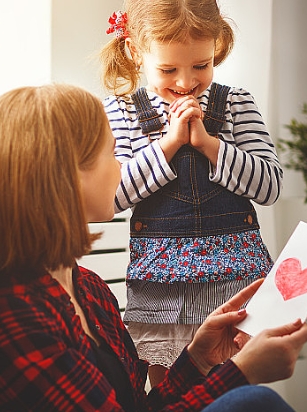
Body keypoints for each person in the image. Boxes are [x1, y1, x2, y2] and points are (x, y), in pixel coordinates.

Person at [0, 83, 307, 411]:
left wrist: (199, 358)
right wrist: (242, 373)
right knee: (253, 402)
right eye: (112, 154)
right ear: (67, 177)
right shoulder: (11, 312)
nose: (121, 168)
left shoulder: (89, 289)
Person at [99, 0, 283, 386]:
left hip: (236, 280)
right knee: (172, 386)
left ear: (216, 46)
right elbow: (110, 197)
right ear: (135, 52)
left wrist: (209, 145)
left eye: (201, 65)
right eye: (168, 69)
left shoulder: (236, 103)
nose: (186, 82)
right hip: (163, 290)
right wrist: (167, 145)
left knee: (237, 382)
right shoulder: (122, 112)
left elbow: (269, 186)